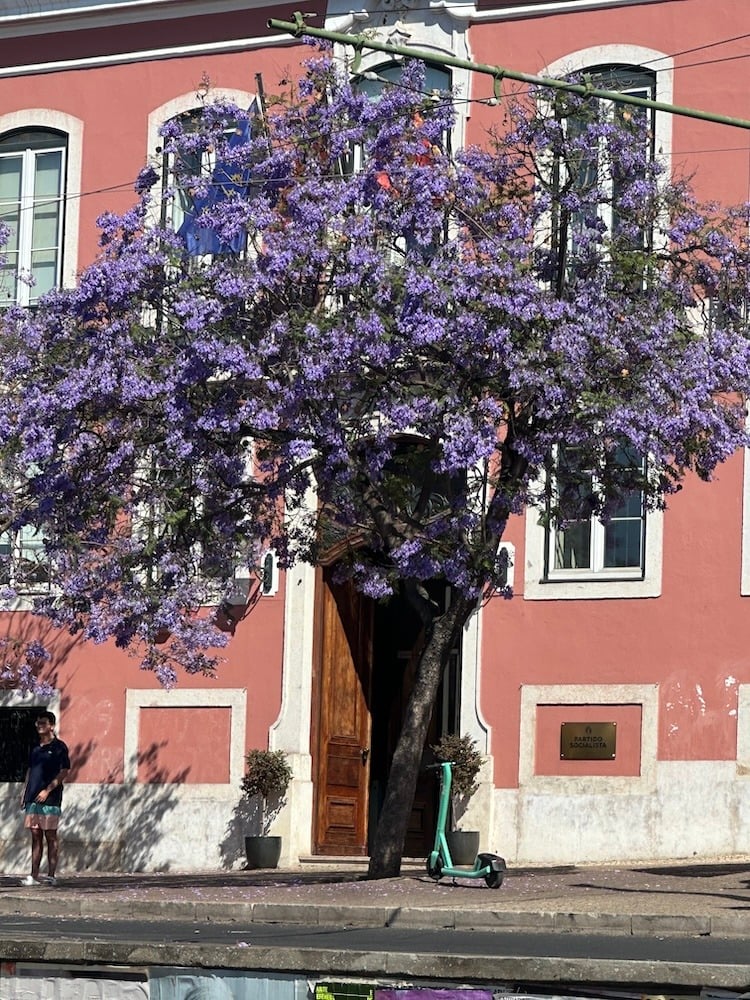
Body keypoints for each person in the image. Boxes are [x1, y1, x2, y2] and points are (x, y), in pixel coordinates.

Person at [19, 710, 71, 886]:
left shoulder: (59, 747)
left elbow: (64, 771)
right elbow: (30, 770)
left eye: (42, 723)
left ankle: (51, 875)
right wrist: (24, 793)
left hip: (51, 799)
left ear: (51, 726)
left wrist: (48, 790)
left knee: (50, 836)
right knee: (35, 836)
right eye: (37, 723)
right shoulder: (35, 748)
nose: (38, 726)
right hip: (32, 799)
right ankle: (34, 875)